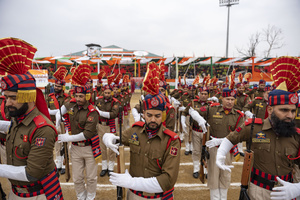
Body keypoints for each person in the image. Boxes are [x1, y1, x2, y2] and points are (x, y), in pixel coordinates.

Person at [213, 57, 300, 200]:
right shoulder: (253, 127)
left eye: (293, 110)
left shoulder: (296, 135)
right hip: (259, 191)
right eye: (284, 110)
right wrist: (221, 155)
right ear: (270, 109)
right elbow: (231, 138)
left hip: (288, 192)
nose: (290, 115)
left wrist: (297, 188)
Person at [103, 62, 181, 199]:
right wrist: (108, 139)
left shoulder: (171, 141)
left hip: (157, 197)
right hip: (134, 196)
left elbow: (167, 181)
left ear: (163, 115)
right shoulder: (136, 131)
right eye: (149, 115)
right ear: (143, 114)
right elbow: (115, 136)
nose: (153, 120)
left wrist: (132, 182)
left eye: (157, 116)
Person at [0, 37, 63, 199]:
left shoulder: (43, 129)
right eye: (5, 97)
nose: (7, 103)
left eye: (12, 97)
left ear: (28, 96)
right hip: (14, 193)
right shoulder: (17, 119)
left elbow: (31, 174)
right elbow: (8, 128)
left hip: (36, 195)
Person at [56, 64, 101, 200]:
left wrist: (67, 138)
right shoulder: (71, 104)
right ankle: (81, 197)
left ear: (87, 95)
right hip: (75, 149)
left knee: (91, 178)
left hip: (89, 148)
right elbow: (60, 112)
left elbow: (86, 134)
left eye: (81, 96)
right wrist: (58, 120)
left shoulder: (93, 112)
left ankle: (90, 197)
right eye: (76, 95)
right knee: (77, 178)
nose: (78, 98)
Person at [182, 86, 211, 178]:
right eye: (202, 93)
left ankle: (206, 169)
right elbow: (184, 112)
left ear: (208, 95)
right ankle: (196, 168)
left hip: (207, 132)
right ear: (199, 94)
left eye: (205, 94)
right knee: (195, 151)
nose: (203, 95)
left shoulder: (212, 104)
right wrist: (183, 122)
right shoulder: (193, 103)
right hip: (195, 130)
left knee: (206, 151)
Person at [47, 66, 71, 175]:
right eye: (55, 85)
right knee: (57, 146)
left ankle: (65, 165)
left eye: (58, 86)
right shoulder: (49, 97)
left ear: (62, 87)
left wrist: (56, 112)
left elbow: (66, 110)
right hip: (54, 124)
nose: (56, 87)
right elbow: (46, 110)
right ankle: (59, 165)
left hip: (64, 124)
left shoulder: (67, 97)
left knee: (65, 146)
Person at [95, 80, 120, 177]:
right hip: (101, 126)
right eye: (105, 92)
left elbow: (113, 114)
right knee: (102, 147)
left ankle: (110, 168)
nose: (107, 94)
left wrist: (100, 113)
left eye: (109, 93)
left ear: (112, 93)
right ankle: (104, 167)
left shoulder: (115, 102)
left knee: (112, 147)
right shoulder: (99, 100)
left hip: (111, 126)